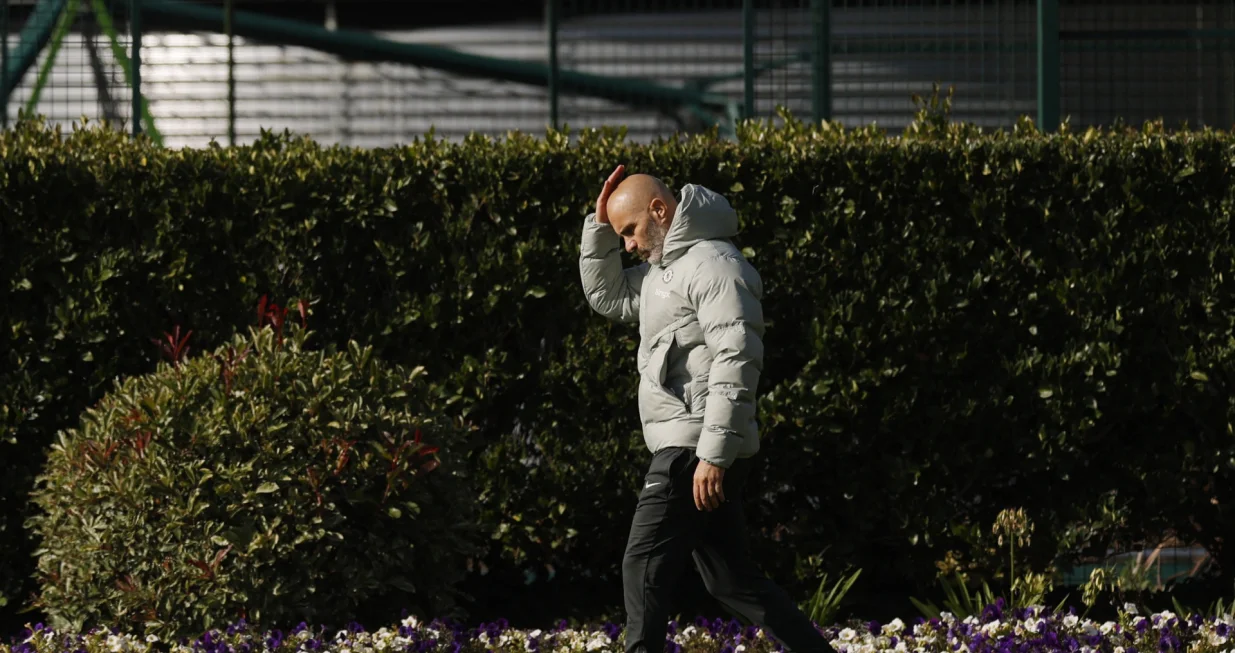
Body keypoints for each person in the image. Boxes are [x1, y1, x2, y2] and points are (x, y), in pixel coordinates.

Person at [578, 165, 837, 653]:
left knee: (642, 564)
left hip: (693, 447)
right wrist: (600, 227)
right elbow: (608, 296)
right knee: (731, 581)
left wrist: (713, 454)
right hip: (695, 447)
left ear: (659, 210)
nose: (627, 245)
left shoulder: (714, 265)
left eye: (629, 231)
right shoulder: (663, 272)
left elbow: (737, 357)